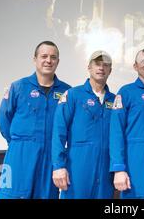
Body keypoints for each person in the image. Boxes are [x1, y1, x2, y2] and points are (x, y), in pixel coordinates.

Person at [0, 41, 71, 199]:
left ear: (58, 61)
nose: (48, 60)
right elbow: (4, 121)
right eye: (44, 56)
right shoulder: (18, 87)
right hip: (19, 155)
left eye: (53, 57)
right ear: (35, 59)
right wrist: (18, 144)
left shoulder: (67, 92)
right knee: (11, 194)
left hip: (50, 157)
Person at [52, 50, 115, 198]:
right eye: (97, 64)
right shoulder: (73, 95)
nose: (101, 68)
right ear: (89, 67)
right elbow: (58, 133)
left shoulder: (115, 100)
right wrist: (58, 166)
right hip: (78, 166)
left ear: (110, 70)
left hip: (105, 169)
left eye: (106, 65)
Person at [109, 49, 144, 199]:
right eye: (143, 61)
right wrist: (119, 169)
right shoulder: (126, 92)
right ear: (135, 66)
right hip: (135, 162)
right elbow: (116, 132)